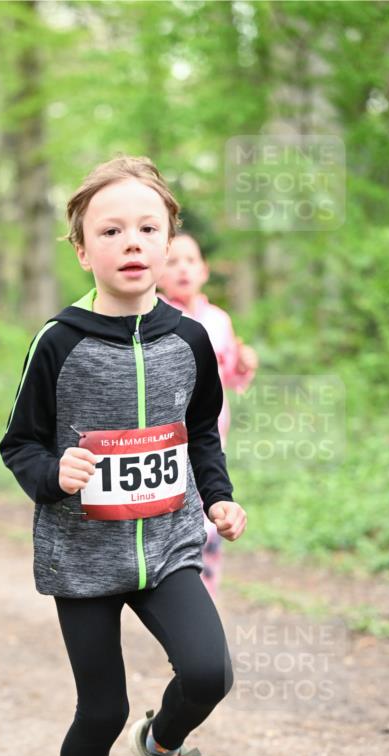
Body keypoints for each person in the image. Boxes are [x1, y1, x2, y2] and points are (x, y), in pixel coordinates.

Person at [0, 155, 247, 756]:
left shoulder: (189, 338)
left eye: (147, 226)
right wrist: (55, 475)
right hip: (82, 553)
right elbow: (20, 442)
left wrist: (218, 498)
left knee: (209, 672)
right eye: (111, 230)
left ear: (170, 239)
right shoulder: (59, 341)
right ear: (82, 249)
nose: (131, 241)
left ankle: (164, 746)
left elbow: (199, 431)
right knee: (100, 706)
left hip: (168, 543)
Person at [158, 234, 258, 597]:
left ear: (204, 271)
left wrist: (244, 365)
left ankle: (205, 593)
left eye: (190, 261)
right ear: (158, 273)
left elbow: (229, 374)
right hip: (165, 434)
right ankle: (167, 585)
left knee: (209, 509)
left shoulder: (218, 320)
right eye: (172, 262)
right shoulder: (156, 316)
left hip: (211, 432)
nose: (182, 268)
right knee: (171, 508)